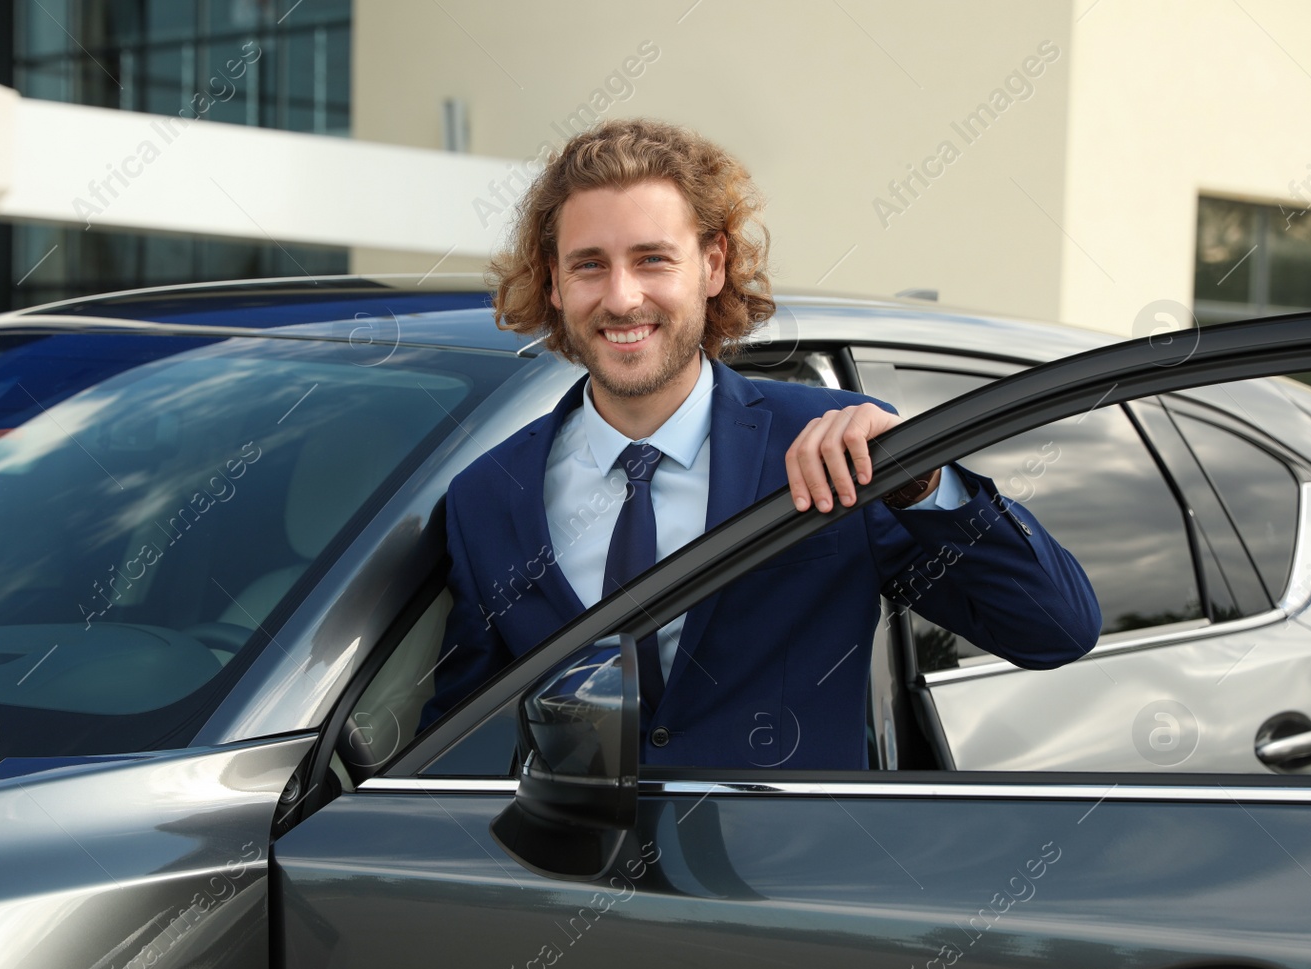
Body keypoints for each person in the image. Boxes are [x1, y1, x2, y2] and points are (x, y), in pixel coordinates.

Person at [417, 117, 1100, 769]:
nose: (622, 298)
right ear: (555, 281)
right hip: (568, 887)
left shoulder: (838, 450)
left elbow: (1055, 628)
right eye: (590, 265)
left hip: (781, 879)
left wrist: (921, 478)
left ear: (713, 265)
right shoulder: (487, 498)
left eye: (653, 259)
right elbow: (450, 744)